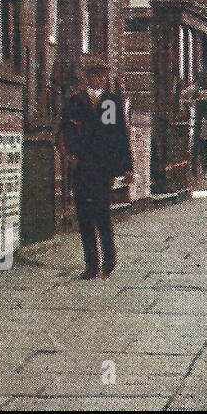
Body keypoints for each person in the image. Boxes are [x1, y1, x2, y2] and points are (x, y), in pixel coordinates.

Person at [58, 59, 133, 280]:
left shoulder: (111, 102)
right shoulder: (76, 102)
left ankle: (109, 259)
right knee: (84, 215)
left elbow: (119, 135)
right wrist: (71, 154)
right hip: (82, 166)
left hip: (103, 167)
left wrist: (125, 167)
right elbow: (66, 130)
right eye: (93, 75)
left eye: (101, 75)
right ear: (86, 77)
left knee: (102, 213)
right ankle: (91, 263)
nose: (97, 79)